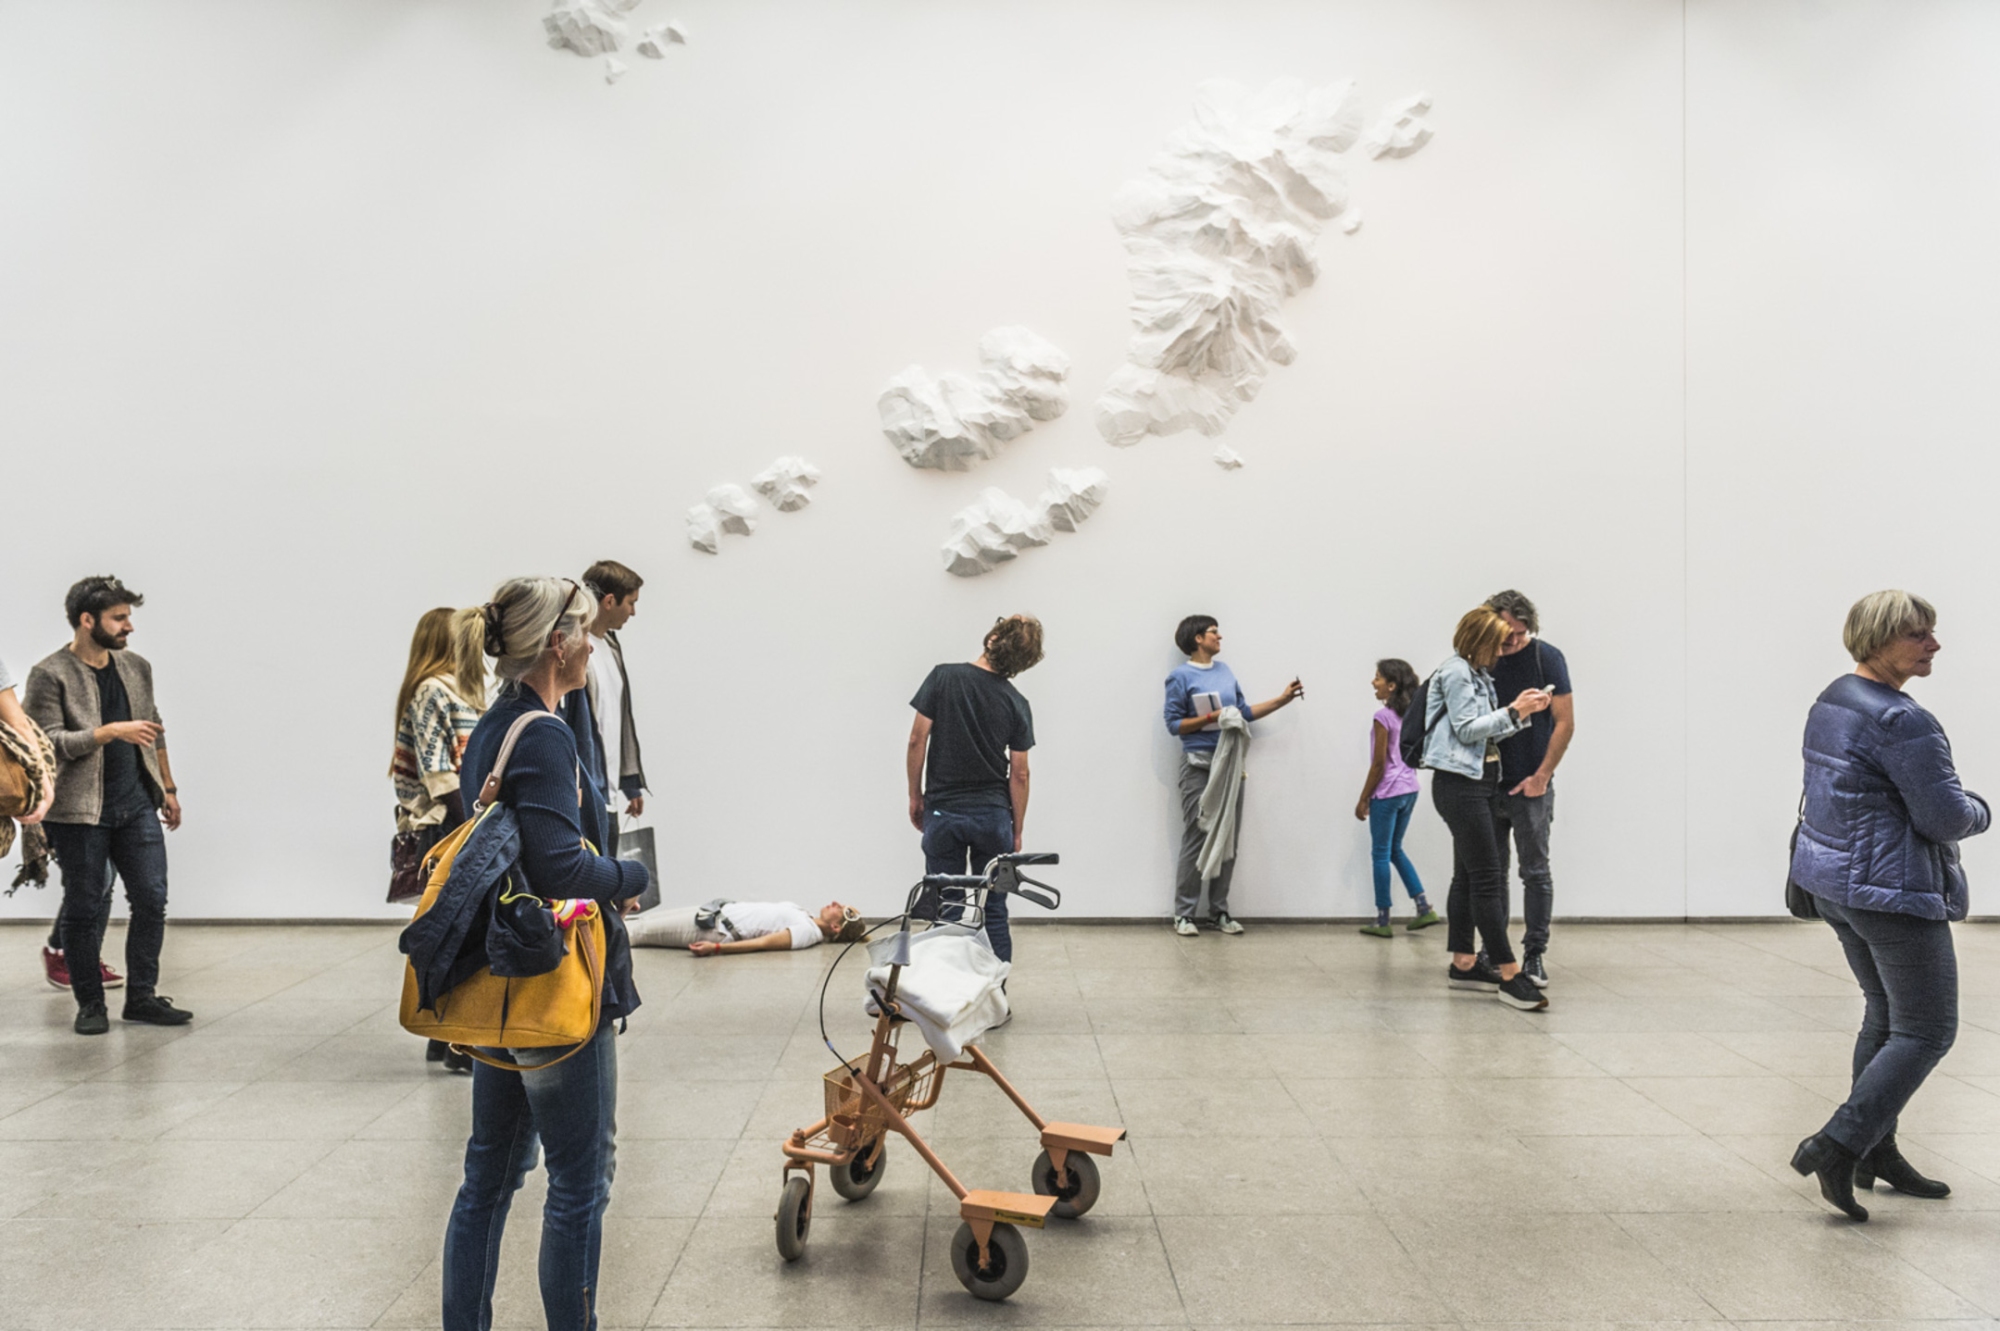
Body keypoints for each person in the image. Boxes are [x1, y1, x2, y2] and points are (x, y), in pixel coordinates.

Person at [442, 576, 649, 1331]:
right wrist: (630, 876)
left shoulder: (496, 725)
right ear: (558, 644)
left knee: (489, 1176)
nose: (594, 645)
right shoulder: (546, 734)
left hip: (500, 977)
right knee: (579, 1181)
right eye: (586, 632)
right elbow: (561, 867)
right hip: (552, 980)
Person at [1788, 590, 1988, 1223]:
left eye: (1932, 631)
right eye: (1917, 634)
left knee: (1885, 1015)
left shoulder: (1835, 698)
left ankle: (1876, 1149)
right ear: (1877, 640)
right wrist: (1982, 809)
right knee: (1927, 1029)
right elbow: (1945, 817)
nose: (1934, 644)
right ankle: (1838, 1144)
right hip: (1890, 891)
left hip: (1835, 883)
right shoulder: (1904, 721)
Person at [23, 576, 189, 1035]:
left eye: (128, 617)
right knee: (85, 906)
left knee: (151, 900)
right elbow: (47, 743)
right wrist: (110, 732)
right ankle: (90, 1004)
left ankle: (142, 999)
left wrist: (168, 788)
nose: (128, 626)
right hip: (79, 813)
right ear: (87, 620)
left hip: (136, 806)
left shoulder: (136, 667)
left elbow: (154, 728)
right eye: (119, 618)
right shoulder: (50, 673)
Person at [1421, 607, 1552, 1012]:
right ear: (1479, 640)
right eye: (1498, 642)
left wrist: (1524, 712)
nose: (1503, 649)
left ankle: (1464, 963)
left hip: (1476, 783)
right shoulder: (1457, 673)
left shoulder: (1477, 674)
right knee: (1487, 878)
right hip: (1460, 787)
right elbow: (1466, 730)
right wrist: (1515, 711)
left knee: (1467, 876)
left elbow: (1486, 731)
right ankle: (1510, 974)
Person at [906, 615, 1043, 964]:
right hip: (993, 817)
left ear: (993, 638)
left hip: (944, 812)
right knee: (994, 911)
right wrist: (1017, 829)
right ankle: (996, 990)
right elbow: (1020, 773)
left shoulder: (943, 677)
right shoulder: (1017, 703)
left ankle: (944, 989)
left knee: (947, 910)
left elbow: (917, 740)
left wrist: (915, 795)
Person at [391, 606, 488, 1074]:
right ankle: (453, 1039)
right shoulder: (431, 689)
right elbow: (439, 773)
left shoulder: (464, 688)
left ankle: (443, 1034)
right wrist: (475, 825)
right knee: (457, 930)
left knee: (457, 927)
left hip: (461, 820)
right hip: (448, 825)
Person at [1162, 616, 1303, 936]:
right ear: (1198, 638)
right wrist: (1210, 718)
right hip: (1198, 766)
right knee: (1197, 837)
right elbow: (1173, 725)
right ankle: (1184, 913)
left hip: (1230, 766)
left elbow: (1243, 712)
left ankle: (1219, 912)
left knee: (1228, 839)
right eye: (1214, 632)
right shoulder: (1180, 677)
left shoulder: (1225, 671)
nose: (1220, 636)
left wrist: (1282, 700)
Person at [1483, 590, 1574, 987]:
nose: (1513, 641)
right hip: (1486, 783)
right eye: (1507, 633)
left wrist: (1542, 776)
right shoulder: (1479, 659)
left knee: (1535, 871)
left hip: (1531, 784)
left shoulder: (1546, 657)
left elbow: (1565, 722)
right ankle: (1494, 952)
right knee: (1491, 874)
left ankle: (1534, 954)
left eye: (1521, 634)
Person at [1353, 659, 1437, 936]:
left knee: (1380, 853)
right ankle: (1423, 906)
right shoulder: (1412, 715)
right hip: (1409, 788)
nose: (1373, 682)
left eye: (1377, 677)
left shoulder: (1383, 717)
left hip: (1387, 792)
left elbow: (1379, 764)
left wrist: (1364, 798)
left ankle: (1382, 919)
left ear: (1391, 685)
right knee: (1395, 850)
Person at [578, 561, 648, 858]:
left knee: (609, 876)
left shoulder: (610, 645)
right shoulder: (577, 648)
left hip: (608, 794)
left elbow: (618, 717)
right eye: (630, 602)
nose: (633, 612)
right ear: (609, 601)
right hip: (586, 795)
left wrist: (630, 783)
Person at [627, 899, 866, 953]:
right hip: (713, 913)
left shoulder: (807, 933)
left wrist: (716, 948)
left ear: (836, 928)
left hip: (714, 930)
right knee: (640, 922)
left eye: (843, 910)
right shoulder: (804, 914)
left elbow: (762, 943)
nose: (836, 903)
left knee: (637, 933)